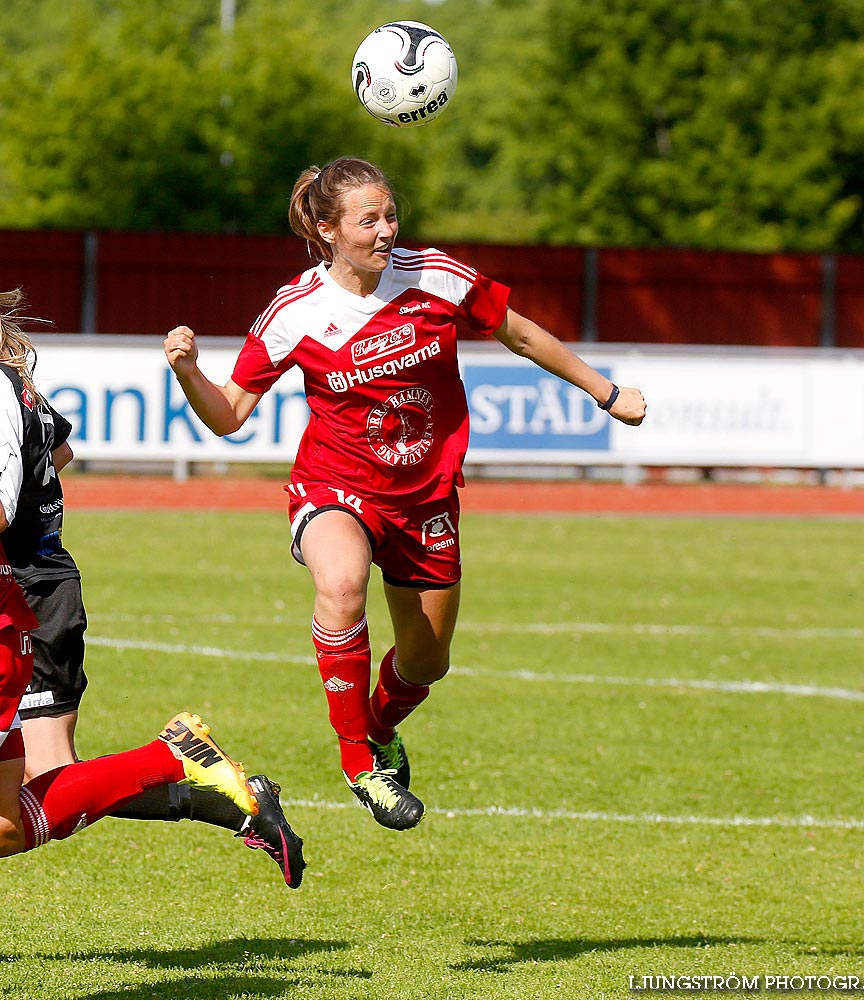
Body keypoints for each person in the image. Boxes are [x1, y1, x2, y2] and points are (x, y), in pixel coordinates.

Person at [163, 156, 646, 832]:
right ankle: (358, 761)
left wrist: (606, 392)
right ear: (328, 229)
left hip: (426, 499)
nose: (386, 230)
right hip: (336, 488)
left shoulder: (436, 278)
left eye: (391, 215)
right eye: (370, 220)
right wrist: (188, 372)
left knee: (426, 660)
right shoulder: (294, 311)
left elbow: (521, 333)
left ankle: (380, 725)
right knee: (341, 584)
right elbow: (229, 414)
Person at [0, 288, 304, 883]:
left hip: (28, 590)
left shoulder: (4, 390)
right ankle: (212, 793)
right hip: (38, 579)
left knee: (39, 789)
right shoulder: (20, 388)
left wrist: (25, 503)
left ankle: (188, 772)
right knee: (31, 798)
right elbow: (60, 452)